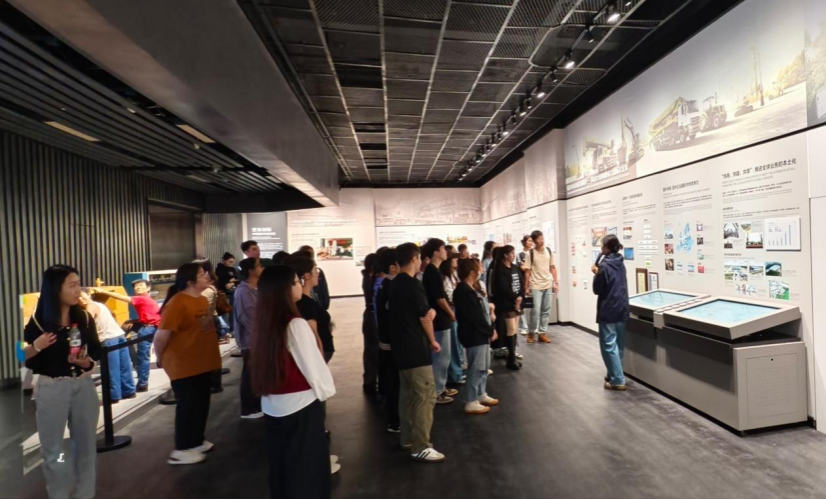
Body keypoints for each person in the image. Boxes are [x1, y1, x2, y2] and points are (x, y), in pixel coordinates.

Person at [251, 265, 336, 497]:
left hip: (273, 404)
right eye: (297, 281)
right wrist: (325, 392)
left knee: (283, 463)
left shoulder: (264, 322)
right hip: (302, 404)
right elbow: (313, 367)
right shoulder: (295, 324)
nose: (300, 285)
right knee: (307, 466)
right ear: (286, 288)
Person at [24, 265, 101, 498]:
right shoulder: (37, 322)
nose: (79, 290)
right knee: (55, 451)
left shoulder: (84, 317)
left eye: (79, 284)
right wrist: (36, 346)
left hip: (83, 386)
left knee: (86, 447)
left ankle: (84, 495)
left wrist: (86, 362)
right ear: (56, 289)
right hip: (52, 388)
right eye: (72, 285)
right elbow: (18, 355)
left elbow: (96, 350)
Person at [153, 263, 222, 465]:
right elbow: (161, 336)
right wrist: (160, 358)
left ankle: (196, 441)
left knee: (201, 403)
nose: (206, 276)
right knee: (188, 406)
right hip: (184, 364)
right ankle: (182, 449)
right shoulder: (177, 303)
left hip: (202, 362)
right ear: (190, 281)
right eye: (201, 274)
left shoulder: (201, 299)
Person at [389, 243, 445, 462]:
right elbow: (424, 316)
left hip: (401, 348)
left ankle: (408, 438)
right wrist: (432, 340)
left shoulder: (395, 283)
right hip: (415, 348)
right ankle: (421, 445)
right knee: (425, 396)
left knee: (408, 396)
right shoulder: (413, 284)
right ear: (414, 258)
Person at [92, 279, 161, 392]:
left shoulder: (142, 298)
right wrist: (133, 322)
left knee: (142, 356)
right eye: (136, 286)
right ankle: (123, 344)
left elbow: (122, 298)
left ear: (148, 288)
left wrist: (103, 291)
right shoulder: (148, 299)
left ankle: (142, 383)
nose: (138, 287)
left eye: (141, 285)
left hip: (148, 328)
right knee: (126, 326)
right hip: (148, 325)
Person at [454, 259, 499, 415]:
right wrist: (489, 330)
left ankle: (480, 393)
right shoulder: (464, 291)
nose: (480, 270)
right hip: (474, 334)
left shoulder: (471, 288)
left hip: (480, 333)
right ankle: (471, 400)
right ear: (472, 272)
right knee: (476, 367)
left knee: (484, 366)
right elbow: (475, 317)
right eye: (477, 268)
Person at [80, 291, 136, 404]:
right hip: (119, 335)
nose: (81, 299)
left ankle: (113, 395)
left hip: (108, 339)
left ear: (88, 295)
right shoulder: (101, 304)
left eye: (82, 296)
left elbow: (87, 324)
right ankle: (129, 391)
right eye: (78, 297)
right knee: (124, 366)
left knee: (111, 368)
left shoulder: (90, 306)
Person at [592, 234, 630, 391]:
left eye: (603, 246)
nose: (601, 248)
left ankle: (617, 380)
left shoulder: (604, 266)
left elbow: (597, 289)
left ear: (607, 248)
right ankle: (613, 373)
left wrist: (597, 273)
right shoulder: (620, 263)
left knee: (608, 345)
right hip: (622, 307)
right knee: (618, 345)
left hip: (608, 309)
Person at [421, 238, 457, 404]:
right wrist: (450, 313)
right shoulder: (432, 272)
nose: (446, 252)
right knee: (441, 357)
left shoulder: (434, 271)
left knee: (444, 356)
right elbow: (439, 298)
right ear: (435, 252)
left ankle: (441, 386)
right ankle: (437, 391)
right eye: (443, 248)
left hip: (441, 319)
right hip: (440, 320)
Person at [289, 255, 335, 363]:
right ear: (307, 276)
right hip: (318, 355)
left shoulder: (310, 297)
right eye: (315, 270)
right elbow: (314, 335)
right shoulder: (304, 303)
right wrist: (319, 363)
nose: (318, 273)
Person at [234, 257, 264, 419]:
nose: (262, 268)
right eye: (258, 266)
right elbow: (248, 317)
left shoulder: (254, 289)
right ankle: (249, 408)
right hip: (251, 341)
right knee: (250, 374)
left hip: (257, 339)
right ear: (251, 271)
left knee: (256, 372)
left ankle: (256, 404)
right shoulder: (244, 292)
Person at [375, 248, 401, 433]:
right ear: (393, 268)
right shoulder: (391, 287)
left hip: (387, 341)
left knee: (392, 382)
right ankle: (395, 421)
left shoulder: (387, 285)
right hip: (390, 343)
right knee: (394, 383)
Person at [195, 259, 227, 393]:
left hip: (209, 321)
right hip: (210, 320)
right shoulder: (208, 285)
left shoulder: (207, 289)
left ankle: (214, 383)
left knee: (210, 354)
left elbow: (203, 310)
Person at [490, 245, 524, 370]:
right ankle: (511, 358)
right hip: (507, 304)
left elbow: (520, 283)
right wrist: (515, 298)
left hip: (517, 304)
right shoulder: (500, 270)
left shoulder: (515, 268)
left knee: (514, 330)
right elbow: (503, 288)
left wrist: (520, 297)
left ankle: (512, 356)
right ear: (505, 255)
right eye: (511, 253)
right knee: (511, 329)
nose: (514, 255)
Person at [524, 230, 559, 345]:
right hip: (535, 285)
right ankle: (531, 333)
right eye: (539, 239)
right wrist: (526, 287)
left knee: (546, 310)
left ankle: (542, 333)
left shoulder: (548, 251)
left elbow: (553, 267)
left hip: (548, 284)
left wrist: (556, 282)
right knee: (535, 311)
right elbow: (527, 271)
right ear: (534, 241)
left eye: (542, 238)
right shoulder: (530, 253)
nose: (542, 240)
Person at [440, 254, 465, 386]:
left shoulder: (453, 275)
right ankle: (455, 374)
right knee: (453, 344)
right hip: (451, 311)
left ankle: (458, 370)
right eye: (454, 259)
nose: (457, 261)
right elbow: (449, 296)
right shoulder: (445, 278)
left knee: (457, 342)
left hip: (454, 310)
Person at [361, 253, 380, 395]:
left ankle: (370, 379)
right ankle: (371, 380)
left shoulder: (367, 277)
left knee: (370, 350)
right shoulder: (372, 279)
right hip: (373, 316)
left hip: (370, 315)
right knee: (373, 350)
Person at [299, 245, 331, 310]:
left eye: (311, 254)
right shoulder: (299, 275)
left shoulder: (319, 272)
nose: (317, 273)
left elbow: (324, 291)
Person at [216, 252, 239, 333]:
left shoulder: (233, 269)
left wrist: (232, 282)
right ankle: (226, 330)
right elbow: (221, 283)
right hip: (224, 294)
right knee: (225, 312)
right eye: (230, 262)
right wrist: (230, 282)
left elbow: (237, 280)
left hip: (233, 292)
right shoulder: (219, 270)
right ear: (224, 260)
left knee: (233, 311)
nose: (231, 264)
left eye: (233, 262)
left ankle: (233, 328)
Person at [516, 235, 534, 335]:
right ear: (524, 242)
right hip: (524, 281)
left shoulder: (534, 253)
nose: (531, 243)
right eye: (529, 241)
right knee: (522, 304)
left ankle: (532, 326)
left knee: (533, 305)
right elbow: (523, 268)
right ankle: (523, 326)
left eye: (531, 241)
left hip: (534, 281)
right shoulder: (520, 255)